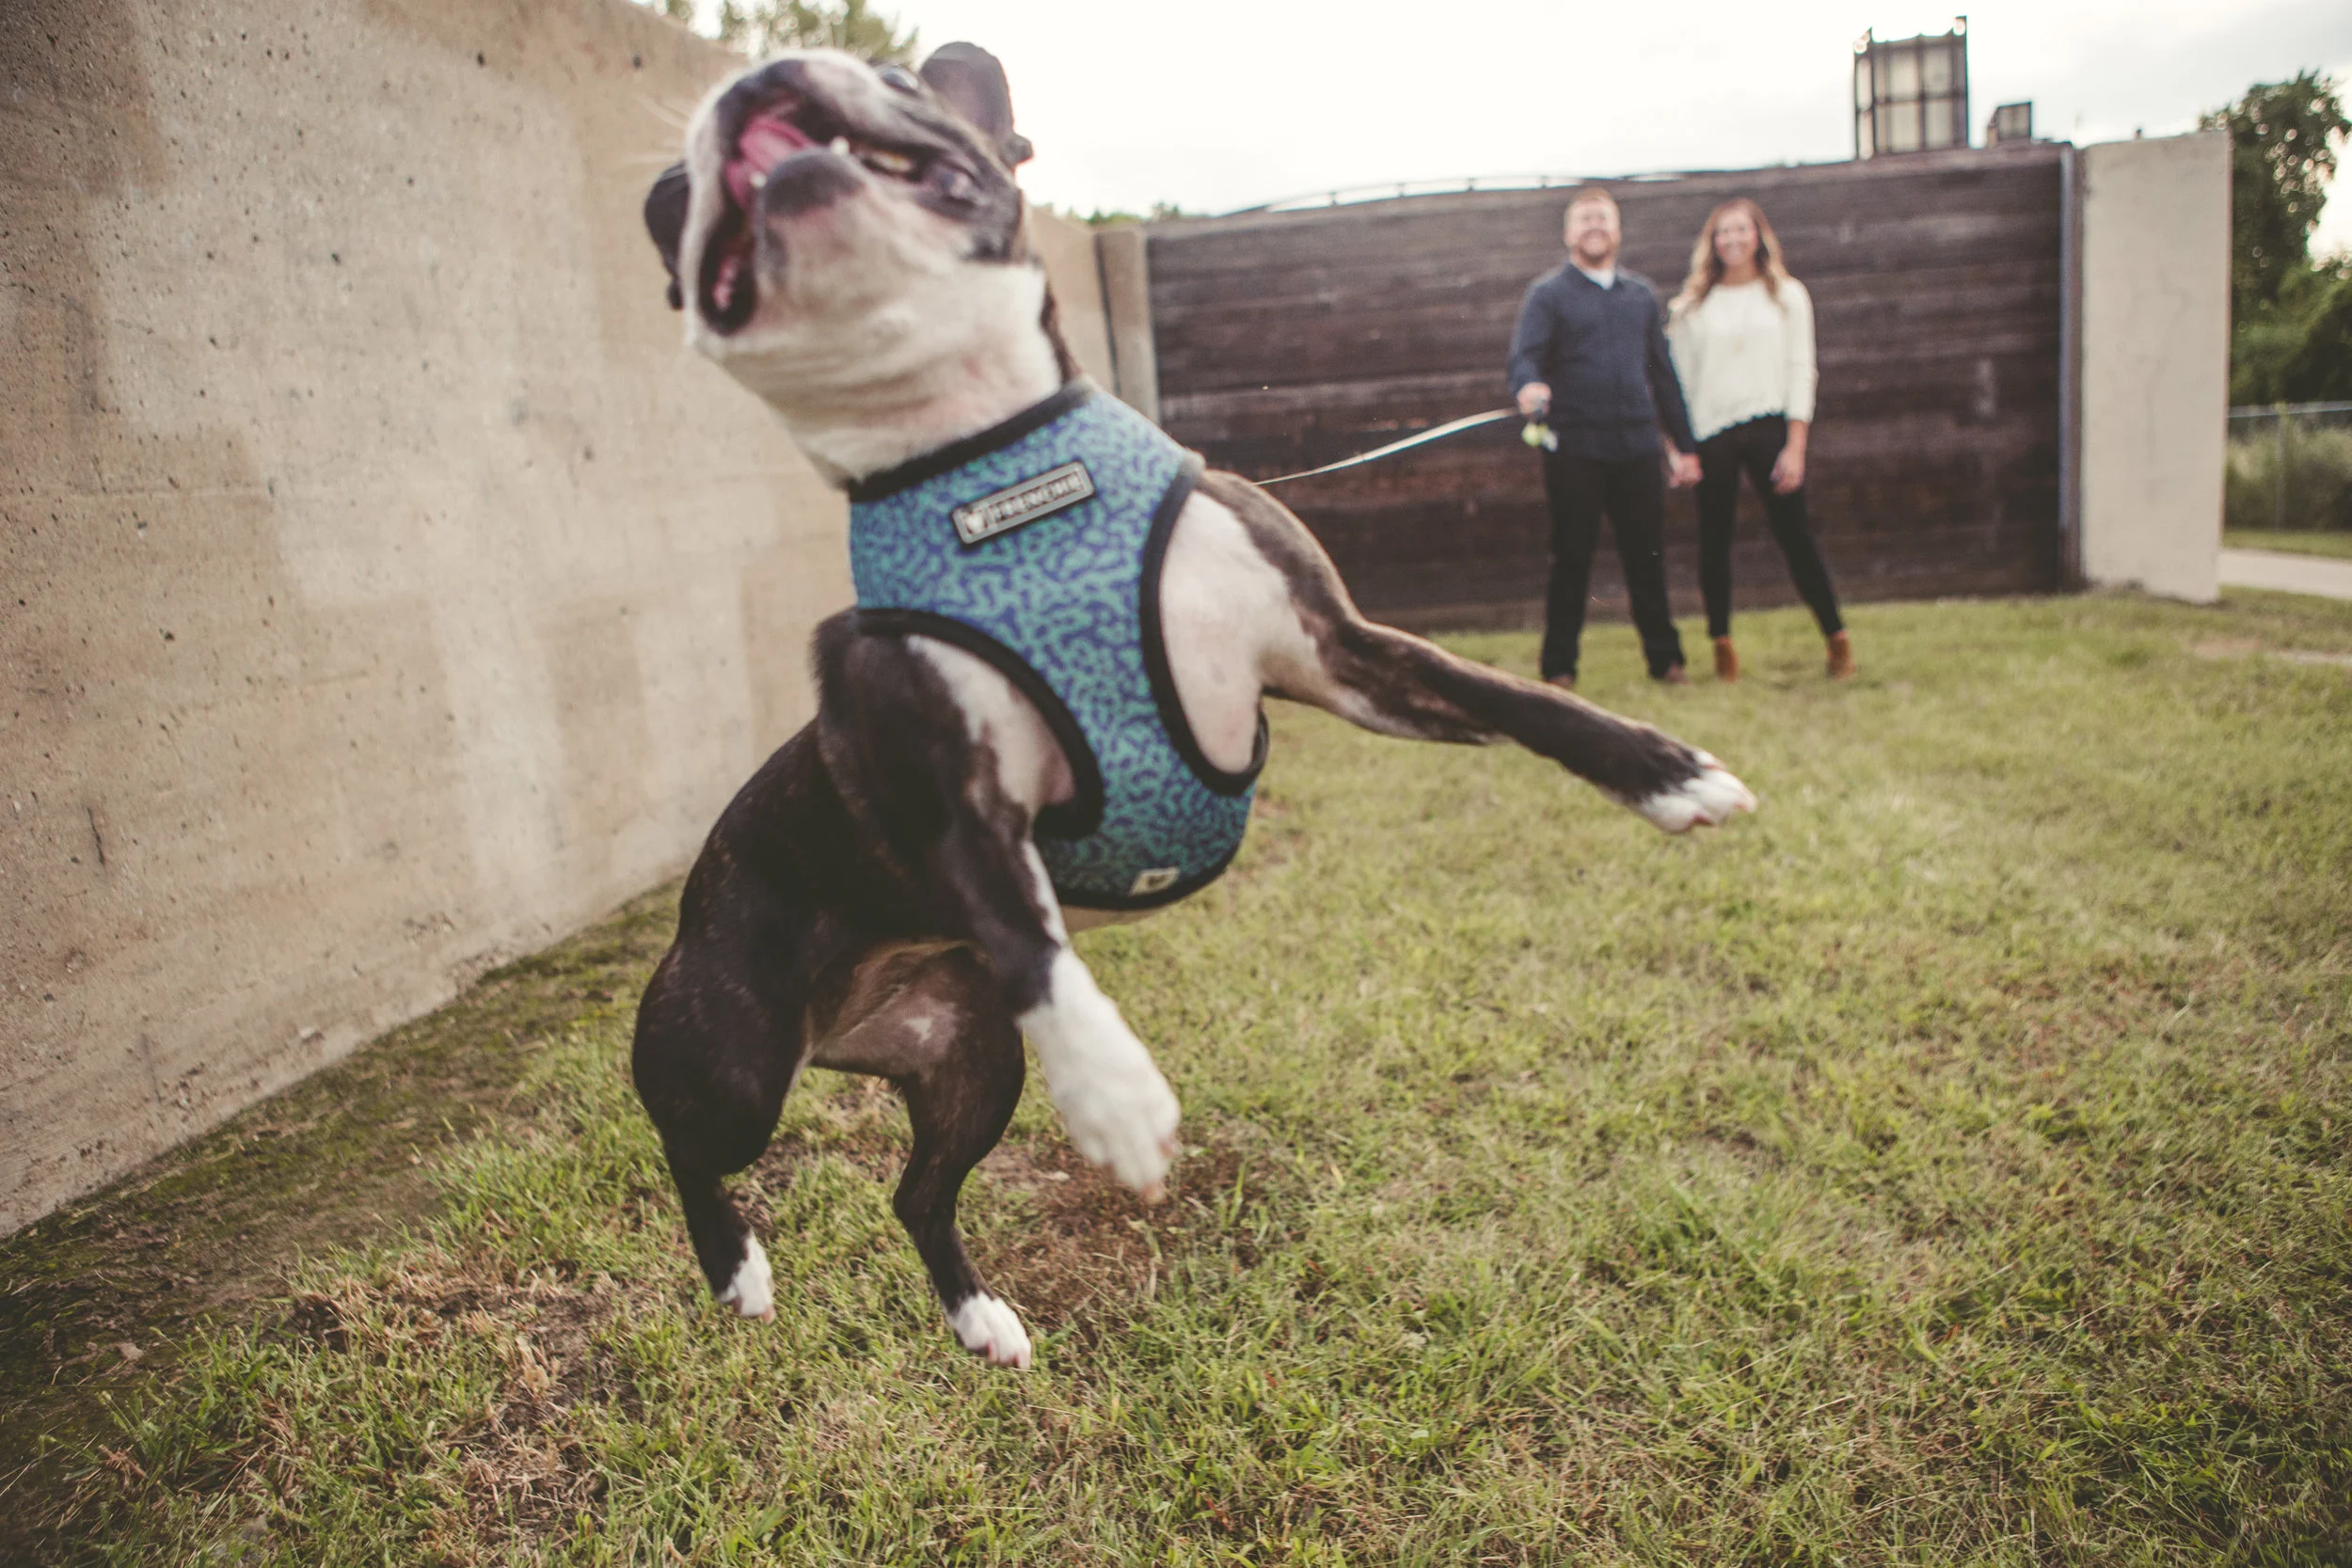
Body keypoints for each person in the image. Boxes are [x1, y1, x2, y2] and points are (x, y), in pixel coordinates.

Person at [1507, 186, 1703, 689]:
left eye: (1604, 219)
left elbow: (1663, 376)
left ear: (1617, 231)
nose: (1595, 227)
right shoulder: (1547, 296)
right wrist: (1528, 385)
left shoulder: (1639, 296)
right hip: (1575, 448)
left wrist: (1686, 446)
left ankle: (1666, 662)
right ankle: (1559, 670)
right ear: (1569, 233)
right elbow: (1524, 357)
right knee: (1571, 557)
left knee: (1647, 557)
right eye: (1585, 219)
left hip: (1637, 449)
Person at [1665, 198, 1854, 681]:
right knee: (1714, 541)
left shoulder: (1788, 296)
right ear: (1712, 242)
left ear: (1758, 236)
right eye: (1722, 232)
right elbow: (1679, 382)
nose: (1732, 239)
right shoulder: (1690, 308)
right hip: (1712, 434)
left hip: (1771, 426)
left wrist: (1796, 446)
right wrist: (1680, 448)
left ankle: (1836, 639)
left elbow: (1800, 369)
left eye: (1740, 230)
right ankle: (1722, 647)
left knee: (1796, 537)